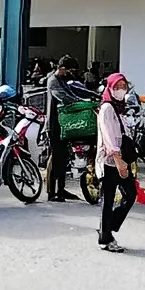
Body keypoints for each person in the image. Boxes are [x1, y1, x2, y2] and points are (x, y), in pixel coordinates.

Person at [96, 73, 138, 253]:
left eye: (123, 86)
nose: (121, 89)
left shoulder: (118, 108)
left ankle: (106, 228)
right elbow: (108, 137)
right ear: (110, 87)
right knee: (109, 199)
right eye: (117, 86)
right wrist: (119, 161)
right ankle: (105, 239)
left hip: (121, 160)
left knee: (130, 194)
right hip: (110, 161)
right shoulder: (107, 108)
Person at [45, 54, 82, 202]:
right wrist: (79, 102)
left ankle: (61, 190)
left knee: (64, 159)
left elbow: (73, 93)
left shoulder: (62, 80)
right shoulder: (53, 81)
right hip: (55, 125)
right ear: (62, 68)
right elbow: (64, 97)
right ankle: (53, 193)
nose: (70, 74)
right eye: (69, 70)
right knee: (57, 159)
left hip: (64, 125)